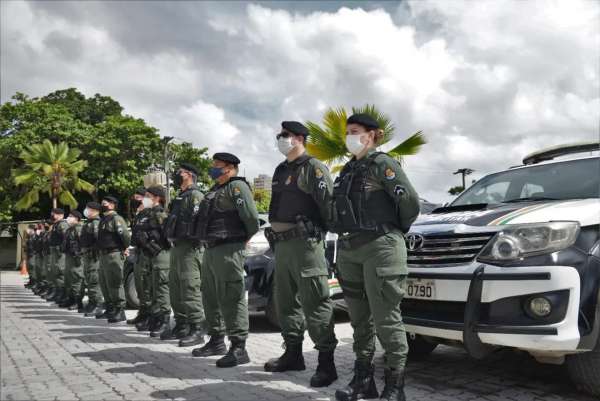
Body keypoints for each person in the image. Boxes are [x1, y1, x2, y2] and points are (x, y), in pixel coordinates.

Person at [330, 114, 420, 401]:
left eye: (355, 132)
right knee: (359, 321)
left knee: (386, 320)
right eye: (347, 132)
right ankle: (363, 380)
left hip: (380, 247)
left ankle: (395, 386)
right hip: (350, 249)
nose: (349, 137)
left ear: (372, 135)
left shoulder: (383, 164)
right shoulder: (347, 170)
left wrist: (392, 231)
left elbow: (410, 203)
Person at [263, 121, 339, 387]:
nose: (280, 139)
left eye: (284, 135)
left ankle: (327, 364)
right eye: (279, 135)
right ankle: (293, 354)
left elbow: (328, 207)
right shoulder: (281, 169)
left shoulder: (313, 168)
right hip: (282, 246)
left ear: (298, 138)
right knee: (286, 302)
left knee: (315, 301)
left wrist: (319, 233)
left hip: (306, 246)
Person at [191, 152, 259, 367]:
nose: (213, 168)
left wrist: (242, 239)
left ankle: (239, 347)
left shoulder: (236, 187)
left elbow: (251, 218)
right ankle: (216, 340)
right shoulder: (214, 191)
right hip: (211, 249)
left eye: (217, 165)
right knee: (210, 296)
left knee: (231, 296)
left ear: (229, 168)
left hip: (229, 248)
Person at [162, 163, 206, 345]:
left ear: (189, 175)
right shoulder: (181, 197)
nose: (176, 175)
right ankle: (181, 325)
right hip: (177, 247)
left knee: (190, 288)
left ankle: (197, 329)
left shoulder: (196, 196)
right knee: (176, 288)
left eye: (180, 172)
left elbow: (199, 222)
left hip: (190, 248)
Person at [132, 186, 171, 335]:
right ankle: (155, 318)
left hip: (160, 254)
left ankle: (165, 321)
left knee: (161, 288)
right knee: (152, 288)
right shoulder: (147, 213)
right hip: (150, 255)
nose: (145, 198)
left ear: (157, 198)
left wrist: (153, 243)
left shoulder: (161, 213)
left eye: (148, 195)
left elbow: (167, 237)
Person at [96, 195, 131, 323]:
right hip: (104, 255)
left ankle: (120, 310)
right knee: (105, 283)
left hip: (114, 254)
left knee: (115, 282)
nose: (103, 204)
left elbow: (125, 236)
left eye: (105, 202)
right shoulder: (104, 220)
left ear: (112, 205)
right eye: (102, 201)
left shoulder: (116, 219)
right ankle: (111, 308)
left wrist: (124, 247)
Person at [128, 188, 154, 327]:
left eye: (139, 198)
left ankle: (149, 315)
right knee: (139, 285)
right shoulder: (139, 215)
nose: (135, 200)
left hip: (147, 253)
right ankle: (143, 313)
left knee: (147, 285)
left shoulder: (150, 213)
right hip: (138, 253)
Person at [80, 202, 104, 317]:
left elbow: (99, 240)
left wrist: (93, 250)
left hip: (94, 257)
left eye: (88, 209)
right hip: (87, 256)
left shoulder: (96, 223)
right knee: (89, 280)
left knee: (94, 281)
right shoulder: (88, 223)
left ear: (95, 210)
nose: (86, 210)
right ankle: (92, 303)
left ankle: (98, 305)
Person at [59, 211, 84, 310]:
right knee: (68, 278)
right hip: (69, 256)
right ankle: (71, 298)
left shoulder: (79, 229)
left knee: (76, 279)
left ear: (77, 219)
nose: (68, 218)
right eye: (68, 216)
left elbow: (83, 244)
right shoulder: (70, 230)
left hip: (76, 258)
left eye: (71, 216)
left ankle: (78, 301)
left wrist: (79, 255)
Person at [46, 208, 69, 304]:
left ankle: (63, 293)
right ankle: (58, 291)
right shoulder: (56, 224)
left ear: (60, 215)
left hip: (60, 252)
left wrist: (62, 248)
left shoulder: (63, 224)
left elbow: (66, 237)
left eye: (54, 214)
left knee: (60, 271)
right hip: (55, 251)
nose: (52, 215)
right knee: (55, 271)